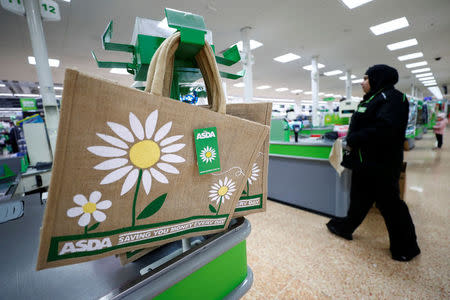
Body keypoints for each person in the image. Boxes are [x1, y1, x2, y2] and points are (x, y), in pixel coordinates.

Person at [327, 64, 421, 262]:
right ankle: (346, 228)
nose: (362, 82)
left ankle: (406, 246)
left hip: (382, 164)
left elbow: (385, 130)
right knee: (359, 199)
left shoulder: (393, 98)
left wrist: (354, 138)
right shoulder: (373, 98)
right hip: (364, 162)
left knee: (390, 204)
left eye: (366, 78)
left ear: (378, 79)